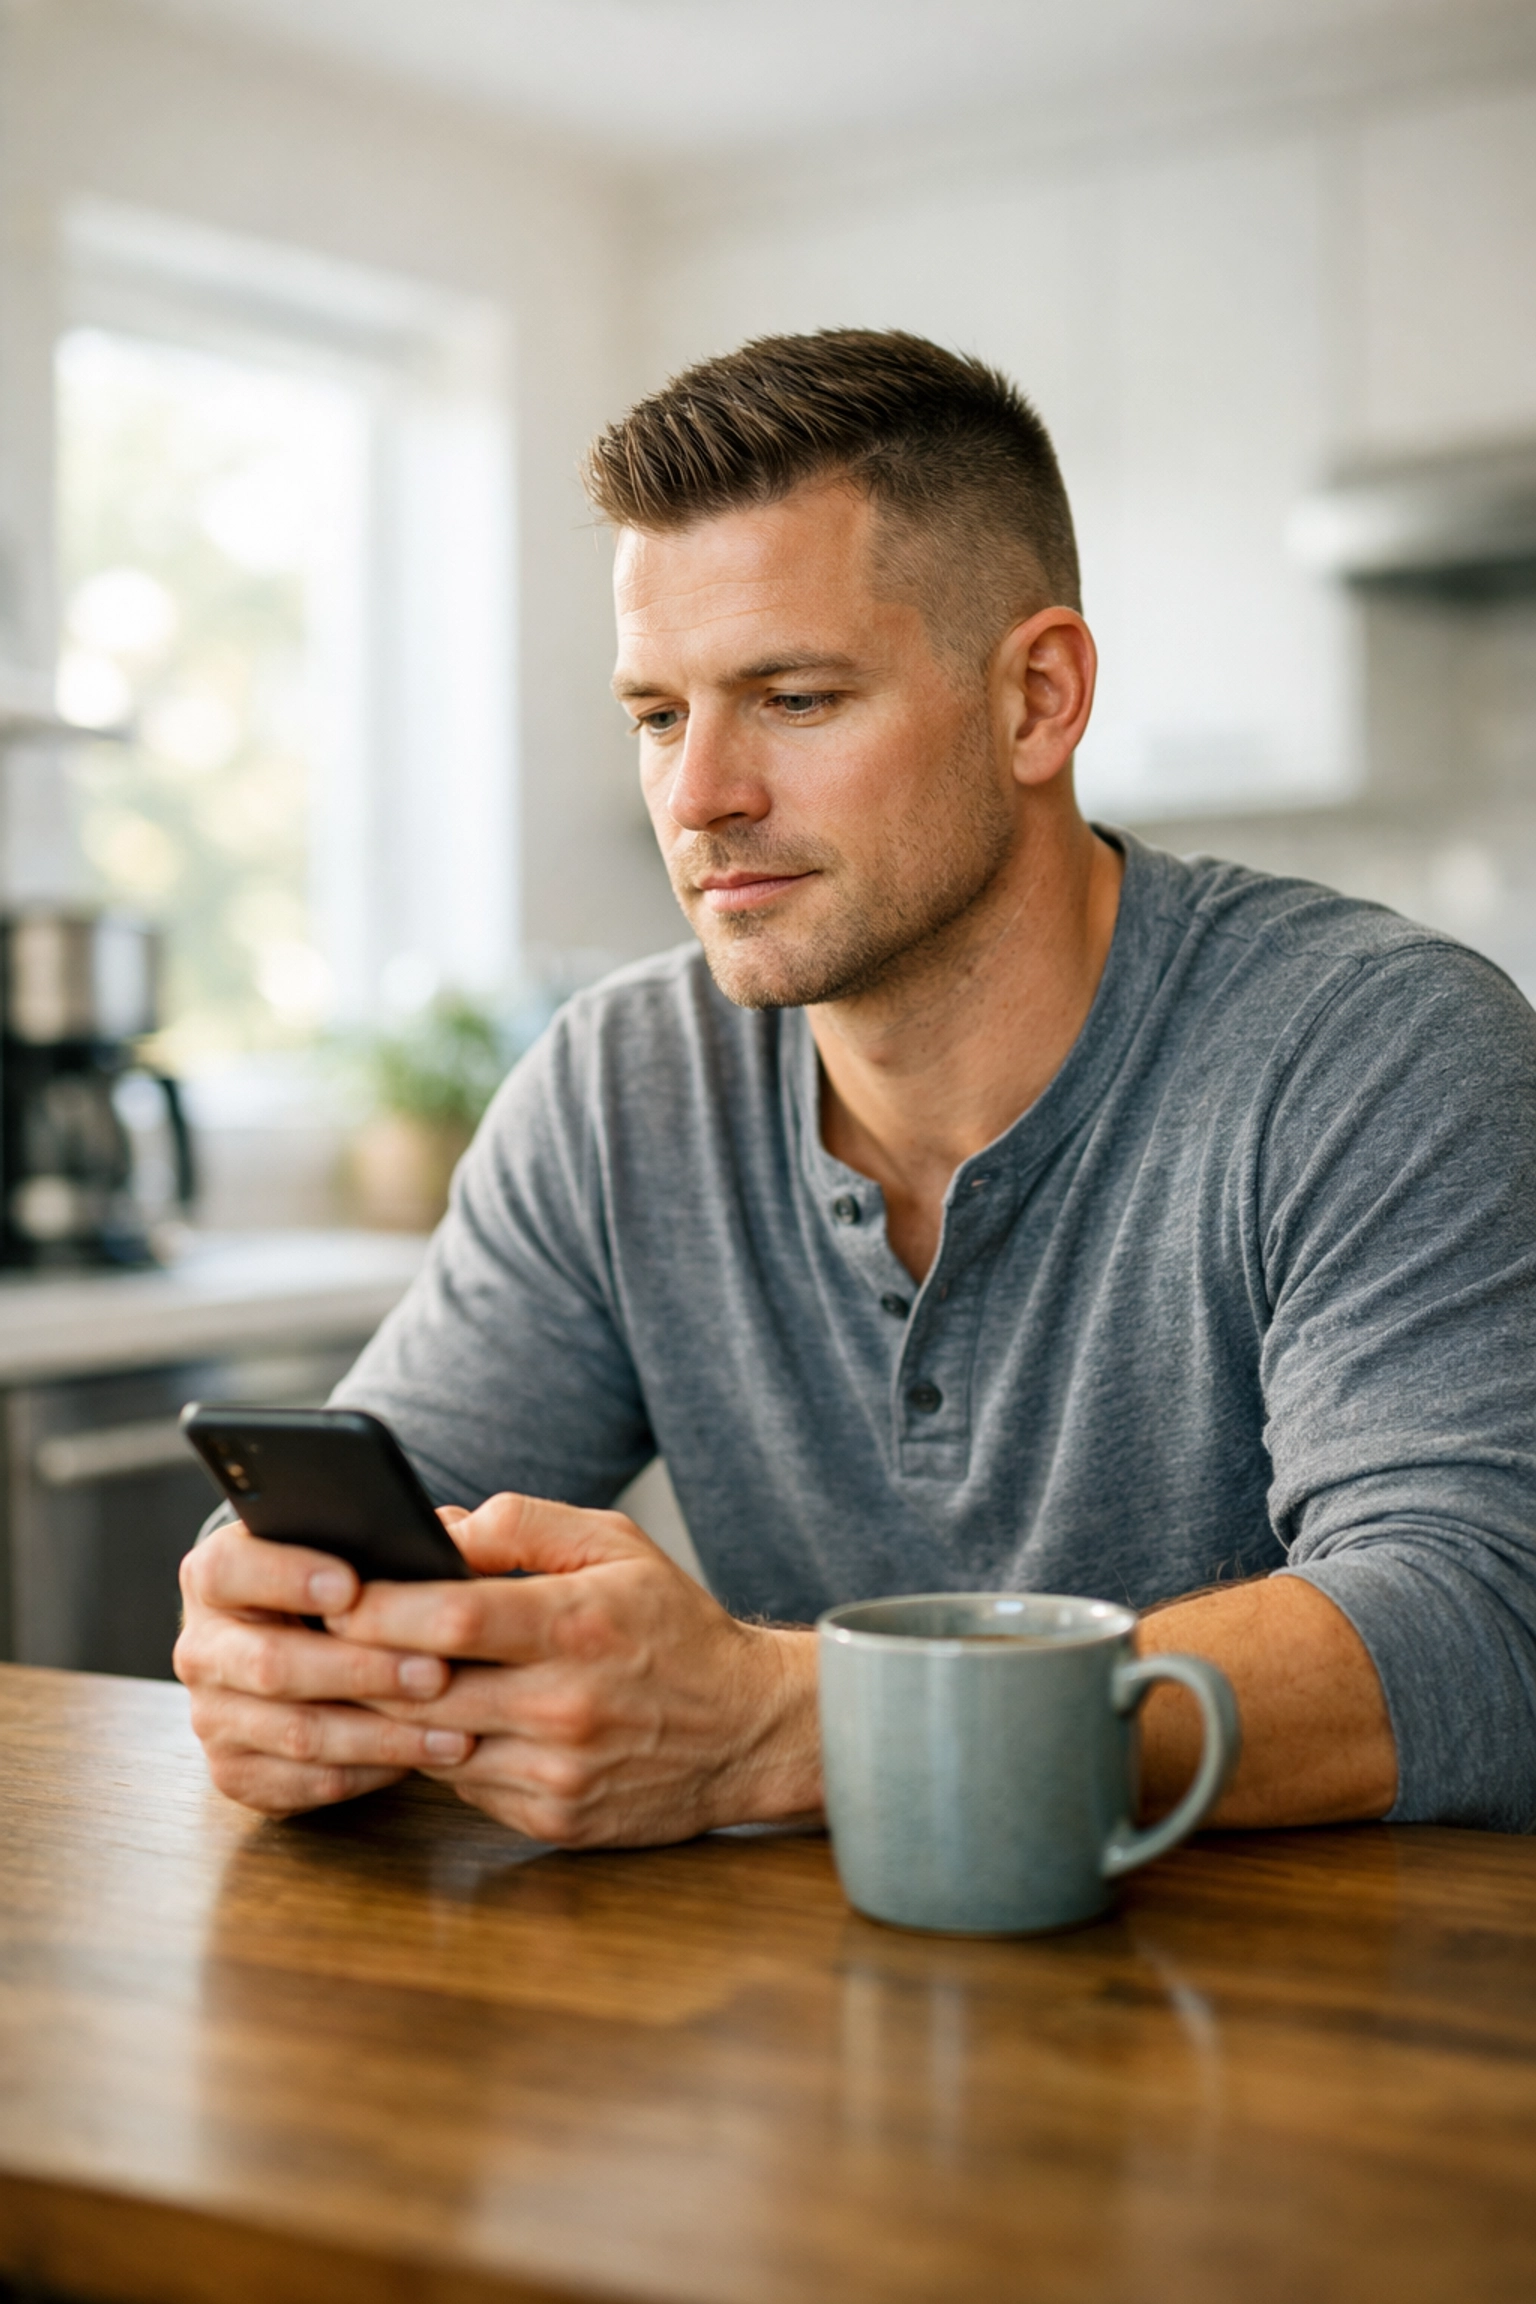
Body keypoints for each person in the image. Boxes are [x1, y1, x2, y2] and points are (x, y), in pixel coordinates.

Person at [175, 329, 1536, 1843]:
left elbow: (1481, 1627)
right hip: (786, 2028)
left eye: (797, 697)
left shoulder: (1377, 1050)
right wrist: (286, 1638)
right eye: (656, 714)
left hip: (1328, 2036)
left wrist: (787, 1722)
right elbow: (390, 1515)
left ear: (1038, 698)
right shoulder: (618, 1088)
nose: (698, 797)